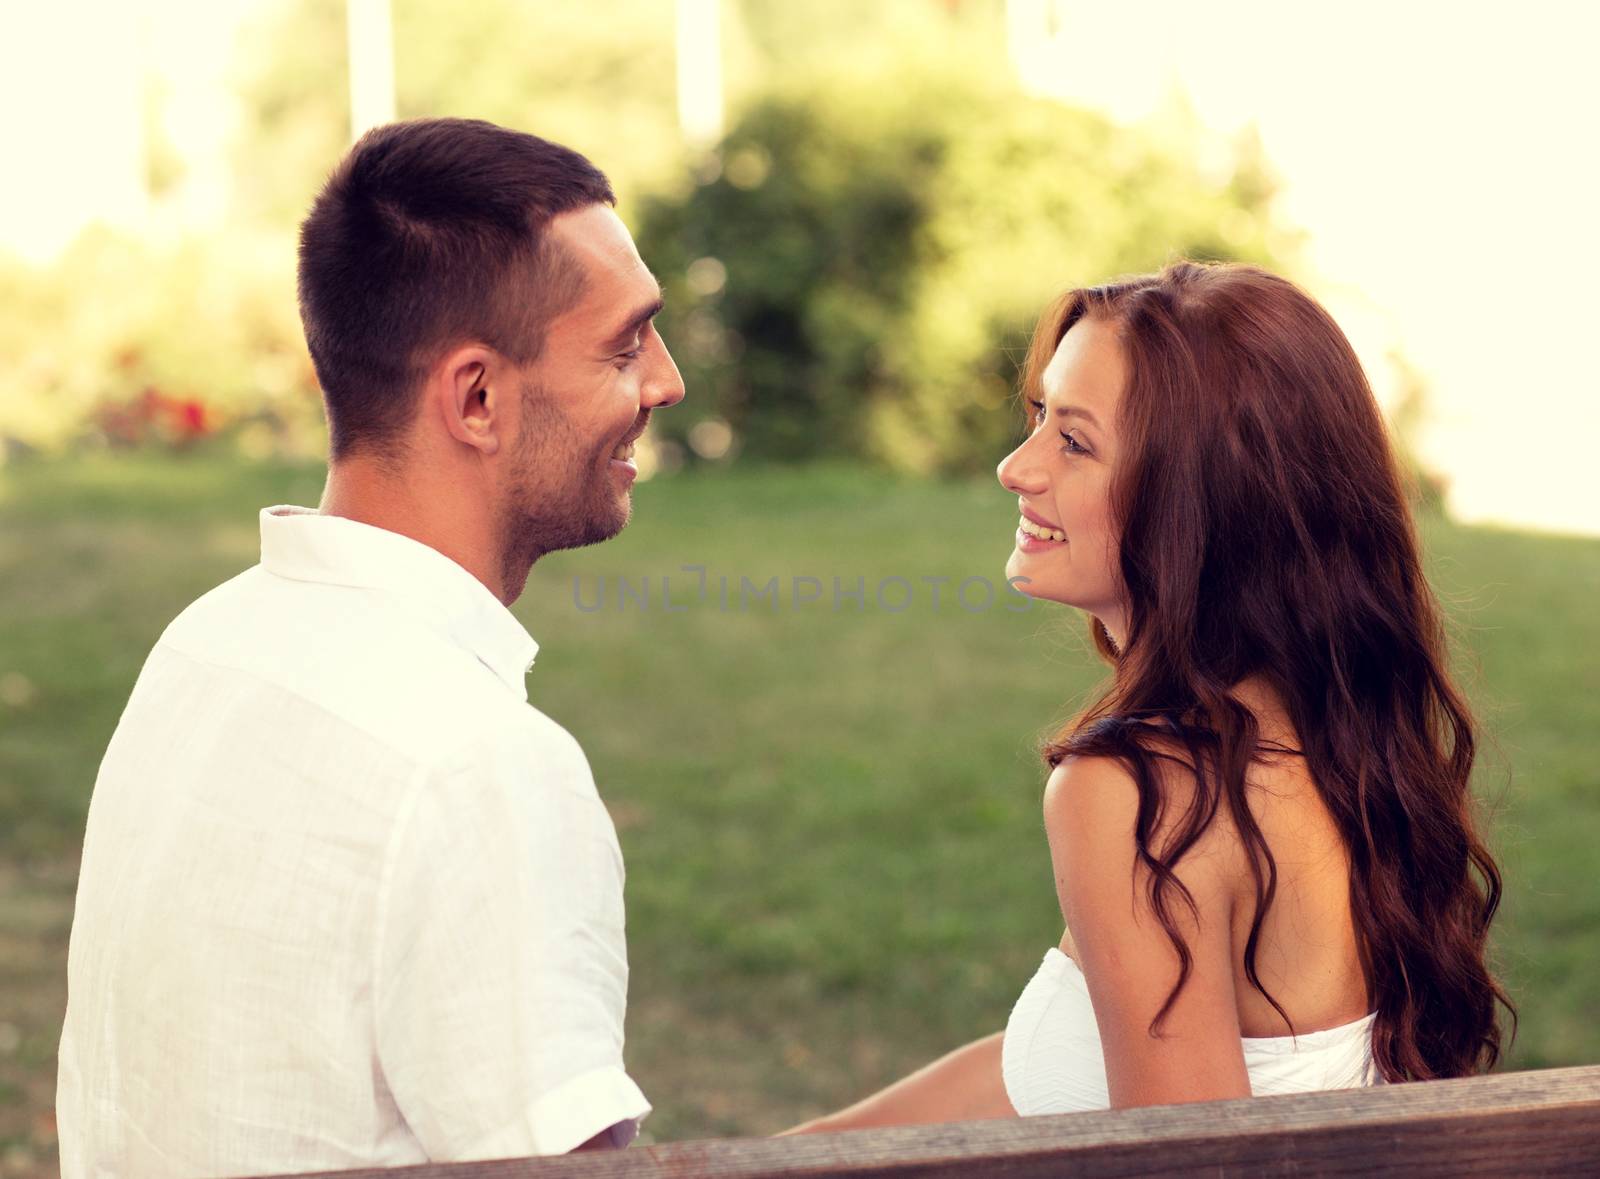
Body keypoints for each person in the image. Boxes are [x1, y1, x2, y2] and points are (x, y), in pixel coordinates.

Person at [56, 117, 685, 1176]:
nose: (663, 383)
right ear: (477, 398)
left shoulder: (206, 644)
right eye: (625, 346)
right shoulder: (478, 764)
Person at [790, 261, 1512, 1130]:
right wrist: (793, 1152)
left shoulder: (1139, 793)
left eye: (1076, 442)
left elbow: (1189, 1159)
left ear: (1200, 504)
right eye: (1039, 418)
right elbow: (1072, 1059)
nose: (1015, 468)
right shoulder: (1332, 735)